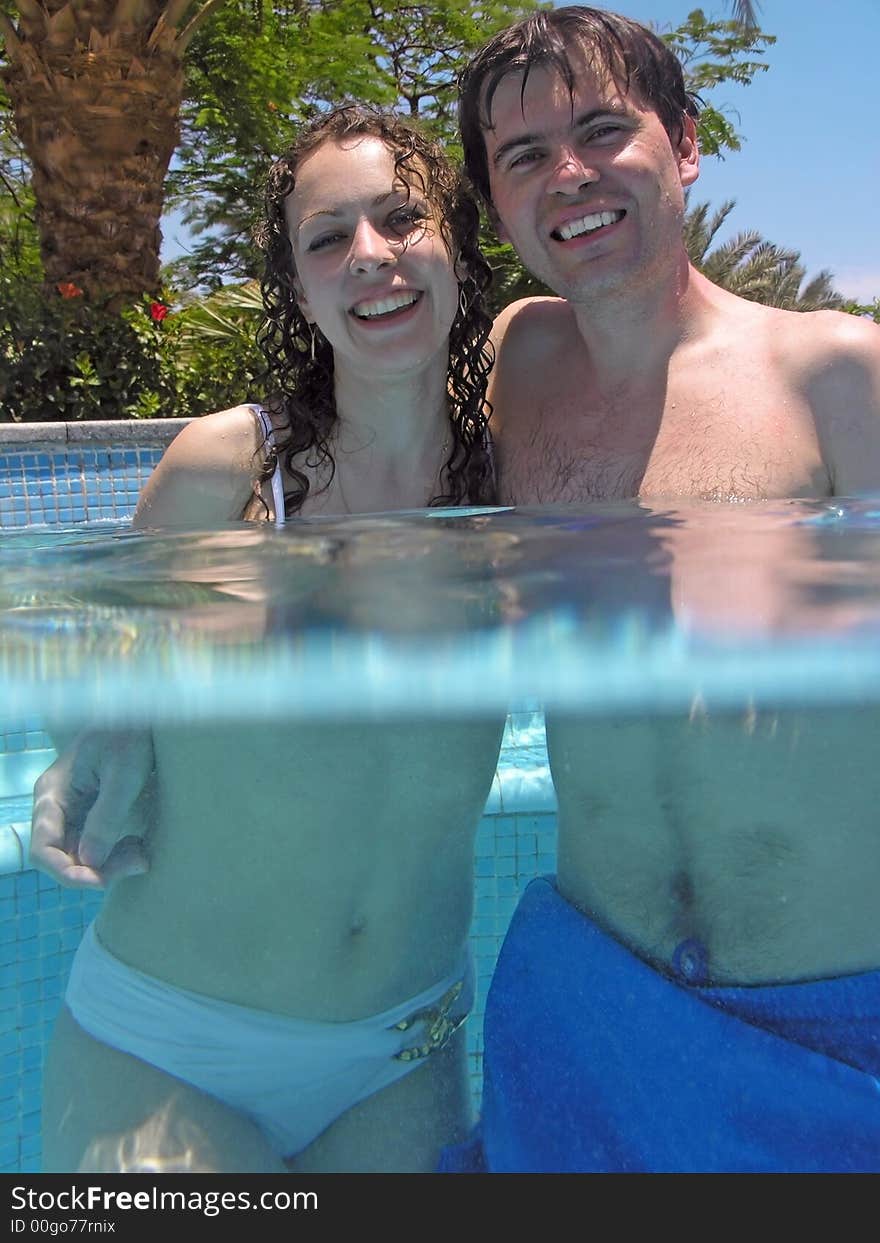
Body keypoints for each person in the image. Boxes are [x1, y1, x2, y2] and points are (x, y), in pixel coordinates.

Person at [438, 6, 880, 1171]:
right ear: (496, 201)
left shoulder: (833, 370)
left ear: (684, 145)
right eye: (523, 156)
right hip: (590, 1002)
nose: (568, 175)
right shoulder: (512, 366)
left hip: (834, 1020)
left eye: (601, 132)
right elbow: (326, 470)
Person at [35, 103, 508, 1174]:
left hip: (406, 1050)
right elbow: (99, 675)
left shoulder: (516, 476)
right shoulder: (228, 470)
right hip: (171, 1044)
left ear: (456, 247)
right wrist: (88, 744)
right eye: (327, 238)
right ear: (298, 287)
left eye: (400, 219)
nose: (370, 257)